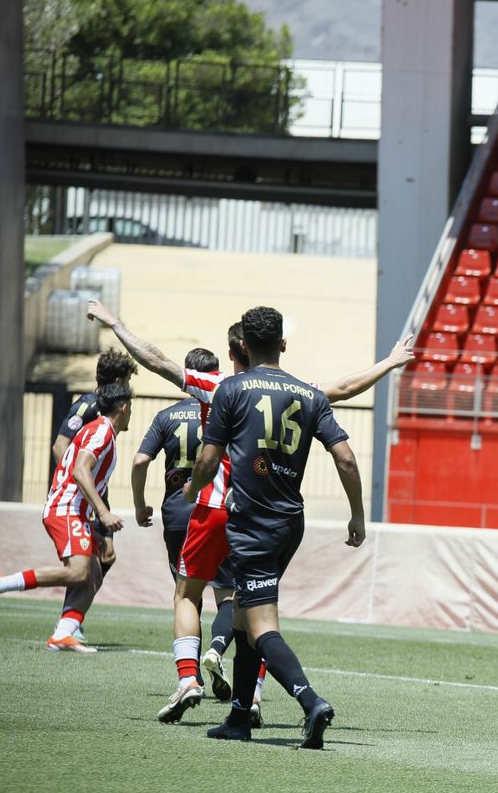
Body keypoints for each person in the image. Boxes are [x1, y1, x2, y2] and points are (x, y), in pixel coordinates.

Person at [88, 298, 413, 725]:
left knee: (189, 594)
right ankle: (250, 699)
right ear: (280, 345)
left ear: (235, 350)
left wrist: (116, 324)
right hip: (271, 516)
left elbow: (156, 361)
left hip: (213, 507)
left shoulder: (221, 386)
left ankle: (189, 679)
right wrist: (389, 363)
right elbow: (347, 388)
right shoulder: (301, 391)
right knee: (248, 606)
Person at [191, 305, 366, 749]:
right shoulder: (310, 395)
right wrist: (357, 515)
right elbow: (344, 457)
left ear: (243, 346)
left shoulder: (232, 389)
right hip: (291, 523)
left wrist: (188, 486)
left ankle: (311, 702)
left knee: (262, 623)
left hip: (252, 525)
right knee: (249, 612)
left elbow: (209, 460)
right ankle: (238, 717)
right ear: (283, 344)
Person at [0, 383, 133, 650]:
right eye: (131, 408)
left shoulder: (103, 431)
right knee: (79, 573)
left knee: (94, 574)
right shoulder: (101, 430)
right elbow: (81, 471)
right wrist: (102, 513)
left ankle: (63, 633)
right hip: (66, 509)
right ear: (124, 408)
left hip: (76, 511)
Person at [130, 347, 234, 704]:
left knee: (187, 595)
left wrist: (139, 503)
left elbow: (141, 459)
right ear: (215, 373)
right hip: (218, 506)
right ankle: (218, 654)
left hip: (177, 512)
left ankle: (190, 676)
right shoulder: (230, 404)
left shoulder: (167, 416)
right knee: (229, 596)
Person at [50, 349, 137, 576]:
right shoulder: (88, 406)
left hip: (96, 493)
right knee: (90, 563)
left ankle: (73, 609)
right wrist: (79, 483)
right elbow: (60, 446)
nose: (128, 387)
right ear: (119, 381)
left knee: (106, 555)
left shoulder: (110, 409)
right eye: (127, 380)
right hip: (82, 495)